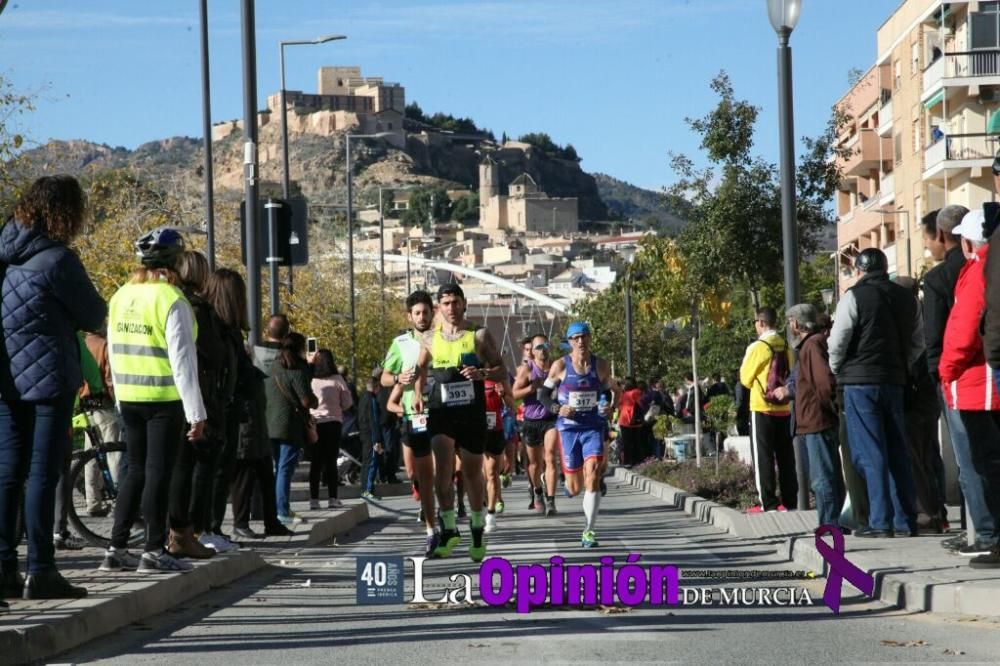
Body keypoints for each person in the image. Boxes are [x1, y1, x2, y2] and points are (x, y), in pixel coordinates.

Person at [0, 176, 106, 602]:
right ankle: (41, 569)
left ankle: (4, 566)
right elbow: (94, 312)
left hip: (6, 378)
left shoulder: (4, 255)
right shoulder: (59, 260)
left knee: (8, 472)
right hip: (49, 379)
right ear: (65, 213)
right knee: (42, 474)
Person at [100, 226, 207, 574]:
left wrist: (118, 397)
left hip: (128, 397)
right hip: (163, 398)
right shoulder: (172, 300)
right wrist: (196, 413)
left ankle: (116, 548)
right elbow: (183, 362)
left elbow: (113, 351)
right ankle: (152, 549)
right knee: (158, 473)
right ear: (176, 263)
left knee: (134, 471)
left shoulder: (120, 296)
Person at [828, 248, 922, 538]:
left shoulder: (854, 297)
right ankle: (906, 520)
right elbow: (918, 341)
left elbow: (838, 340)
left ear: (860, 270)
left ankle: (880, 521)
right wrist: (902, 365)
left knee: (871, 451)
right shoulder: (907, 298)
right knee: (898, 449)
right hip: (895, 380)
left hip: (859, 383)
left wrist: (837, 368)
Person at [412, 283, 506, 562]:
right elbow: (421, 367)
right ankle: (449, 529)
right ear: (439, 307)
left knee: (472, 474)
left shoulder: (478, 334)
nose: (451, 308)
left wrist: (483, 372)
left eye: (455, 302)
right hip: (442, 412)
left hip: (471, 413)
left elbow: (502, 370)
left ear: (464, 304)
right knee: (442, 473)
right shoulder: (429, 337)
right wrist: (417, 393)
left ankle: (477, 529)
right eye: (445, 303)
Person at [924, 205, 996, 553]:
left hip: (969, 381)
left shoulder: (973, 271)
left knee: (975, 463)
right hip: (979, 377)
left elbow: (959, 331)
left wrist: (944, 371)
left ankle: (985, 534)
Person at [206, 269, 289, 540]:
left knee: (264, 469)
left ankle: (270, 520)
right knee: (241, 472)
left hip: (249, 409)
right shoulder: (219, 329)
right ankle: (236, 523)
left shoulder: (231, 332)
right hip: (236, 411)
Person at [166, 250, 229, 558]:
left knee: (178, 465)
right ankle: (188, 532)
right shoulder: (195, 308)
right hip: (195, 395)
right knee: (193, 465)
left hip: (165, 396)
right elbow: (210, 353)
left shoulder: (175, 301)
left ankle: (178, 532)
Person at [537, 321, 618, 548]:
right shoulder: (560, 366)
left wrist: (609, 406)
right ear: (570, 342)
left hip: (592, 426)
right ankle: (563, 483)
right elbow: (543, 395)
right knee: (574, 488)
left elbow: (609, 392)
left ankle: (589, 531)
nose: (581, 341)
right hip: (568, 428)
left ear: (590, 338)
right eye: (576, 338)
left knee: (592, 472)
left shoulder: (600, 365)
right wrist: (557, 408)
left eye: (584, 336)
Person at [777, 304, 844, 529]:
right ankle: (833, 521)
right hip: (815, 420)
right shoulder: (811, 345)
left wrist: (830, 408)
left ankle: (829, 524)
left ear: (796, 323)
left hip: (816, 421)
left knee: (822, 477)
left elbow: (824, 383)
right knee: (827, 474)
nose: (789, 326)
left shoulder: (812, 345)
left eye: (790, 322)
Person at [380, 291, 435, 516]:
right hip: (414, 414)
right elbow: (384, 378)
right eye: (417, 313)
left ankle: (432, 507)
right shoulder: (400, 343)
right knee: (414, 469)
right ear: (409, 317)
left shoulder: (443, 338)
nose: (422, 317)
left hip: (439, 410)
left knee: (437, 465)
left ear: (433, 314)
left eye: (425, 312)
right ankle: (420, 490)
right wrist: (397, 379)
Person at [739, 307, 797, 513]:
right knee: (786, 457)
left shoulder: (758, 347)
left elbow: (745, 379)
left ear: (761, 323)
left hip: (762, 408)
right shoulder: (786, 346)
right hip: (784, 408)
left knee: (763, 457)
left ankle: (769, 503)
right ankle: (791, 501)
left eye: (755, 322)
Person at [266, 332, 317, 526]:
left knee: (278, 468)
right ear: (300, 348)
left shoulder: (272, 367)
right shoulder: (297, 368)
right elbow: (306, 399)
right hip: (290, 426)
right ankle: (282, 511)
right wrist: (315, 400)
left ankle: (279, 509)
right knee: (284, 470)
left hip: (270, 424)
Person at [512, 334, 559, 514]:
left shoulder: (557, 367)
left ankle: (551, 500)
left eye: (546, 345)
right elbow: (514, 394)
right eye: (539, 347)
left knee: (550, 457)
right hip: (531, 421)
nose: (543, 349)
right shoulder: (527, 370)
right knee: (534, 464)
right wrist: (531, 388)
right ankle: (538, 491)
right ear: (532, 350)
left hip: (551, 419)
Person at [309, 349, 352, 510]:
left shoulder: (311, 379)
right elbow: (347, 403)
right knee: (331, 461)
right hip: (333, 423)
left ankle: (314, 499)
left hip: (314, 423)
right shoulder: (338, 379)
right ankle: (332, 498)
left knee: (316, 462)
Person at [358, 374, 384, 501]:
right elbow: (373, 419)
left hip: (363, 433)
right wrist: (377, 440)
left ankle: (365, 489)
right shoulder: (372, 399)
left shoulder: (362, 397)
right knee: (371, 463)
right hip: (370, 435)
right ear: (375, 387)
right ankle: (367, 490)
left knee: (366, 462)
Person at [617, 378, 645, 467]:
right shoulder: (628, 393)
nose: (622, 386)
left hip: (628, 420)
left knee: (629, 442)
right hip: (629, 420)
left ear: (628, 384)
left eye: (624, 384)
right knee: (634, 442)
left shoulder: (633, 392)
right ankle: (635, 460)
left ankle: (630, 461)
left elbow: (639, 403)